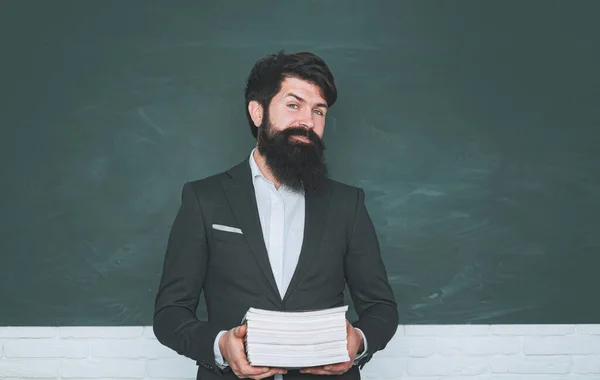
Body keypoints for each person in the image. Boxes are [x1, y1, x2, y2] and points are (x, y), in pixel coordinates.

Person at [153, 51, 398, 380]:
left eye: (318, 111)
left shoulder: (347, 203)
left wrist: (360, 341)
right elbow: (170, 314)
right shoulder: (204, 199)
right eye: (294, 105)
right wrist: (220, 346)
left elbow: (381, 308)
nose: (308, 121)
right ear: (257, 112)